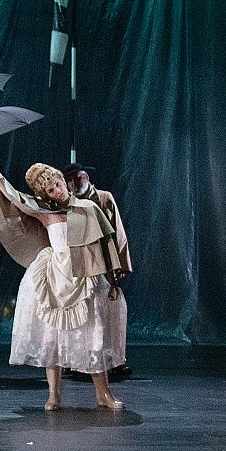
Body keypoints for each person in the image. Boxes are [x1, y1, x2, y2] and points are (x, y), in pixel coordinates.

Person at [0, 157, 125, 410]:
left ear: (64, 181)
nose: (58, 190)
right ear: (45, 195)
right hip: (57, 277)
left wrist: (114, 280)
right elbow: (16, 197)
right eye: (51, 189)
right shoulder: (45, 213)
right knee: (52, 337)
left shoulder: (88, 208)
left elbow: (107, 244)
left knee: (94, 334)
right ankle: (53, 395)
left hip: (85, 275)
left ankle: (103, 394)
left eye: (58, 184)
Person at [63, 162, 133, 380]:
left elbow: (118, 232)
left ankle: (116, 361)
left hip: (103, 262)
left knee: (111, 313)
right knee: (79, 313)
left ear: (85, 176)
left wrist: (121, 264)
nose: (73, 184)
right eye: (69, 181)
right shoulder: (69, 203)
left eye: (76, 179)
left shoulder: (103, 198)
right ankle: (75, 361)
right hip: (79, 264)